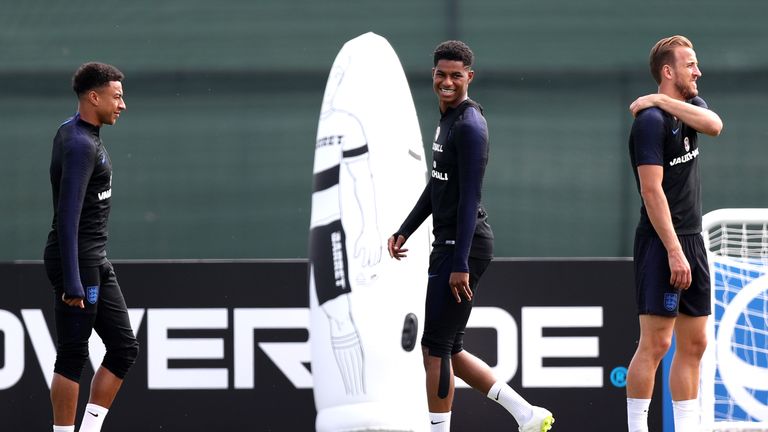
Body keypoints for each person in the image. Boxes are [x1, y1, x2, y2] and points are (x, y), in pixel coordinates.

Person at [387, 40, 554, 432]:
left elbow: (468, 199)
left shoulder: (470, 125)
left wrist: (459, 263)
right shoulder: (447, 119)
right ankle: (526, 415)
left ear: (469, 78)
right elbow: (438, 186)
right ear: (433, 75)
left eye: (456, 76)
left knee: (435, 349)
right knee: (451, 349)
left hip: (462, 247)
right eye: (441, 75)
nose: (447, 82)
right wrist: (405, 229)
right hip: (452, 245)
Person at [626, 35, 723, 432]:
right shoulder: (649, 123)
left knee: (696, 343)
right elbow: (651, 191)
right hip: (661, 244)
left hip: (694, 240)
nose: (698, 71)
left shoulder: (686, 108)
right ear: (669, 72)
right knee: (656, 344)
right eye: (690, 65)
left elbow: (715, 126)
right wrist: (673, 251)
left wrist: (660, 98)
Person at [43, 62, 139, 432]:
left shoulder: (78, 133)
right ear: (93, 97)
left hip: (92, 259)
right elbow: (67, 218)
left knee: (123, 348)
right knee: (72, 356)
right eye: (116, 97)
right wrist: (72, 282)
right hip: (78, 262)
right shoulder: (80, 145)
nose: (122, 105)